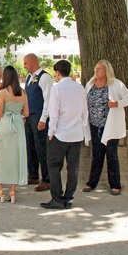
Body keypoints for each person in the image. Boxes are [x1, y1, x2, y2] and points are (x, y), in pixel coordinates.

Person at [41, 59, 87, 210]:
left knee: (54, 165)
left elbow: (54, 114)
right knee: (73, 167)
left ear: (58, 73)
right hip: (76, 133)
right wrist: (82, 127)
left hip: (60, 133)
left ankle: (57, 197)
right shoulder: (79, 88)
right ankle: (69, 197)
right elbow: (85, 112)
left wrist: (50, 132)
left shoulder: (57, 89)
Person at [82, 60, 128, 195]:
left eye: (99, 69)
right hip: (95, 125)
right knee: (97, 154)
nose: (96, 71)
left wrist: (117, 103)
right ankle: (92, 183)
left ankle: (115, 184)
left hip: (110, 125)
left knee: (111, 155)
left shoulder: (116, 84)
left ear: (106, 71)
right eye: (96, 69)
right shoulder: (90, 84)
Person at [0, 66, 29, 203]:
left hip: (6, 124)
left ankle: (0, 190)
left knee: (2, 156)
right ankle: (12, 190)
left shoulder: (2, 93)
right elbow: (26, 113)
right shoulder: (23, 92)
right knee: (16, 156)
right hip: (18, 125)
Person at [23, 53, 54, 191]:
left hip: (39, 116)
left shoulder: (45, 77)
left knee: (42, 147)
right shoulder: (30, 77)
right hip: (30, 116)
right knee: (31, 146)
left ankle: (47, 179)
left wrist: (43, 118)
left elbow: (48, 99)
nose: (24, 66)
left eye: (26, 63)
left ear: (33, 62)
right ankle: (33, 174)